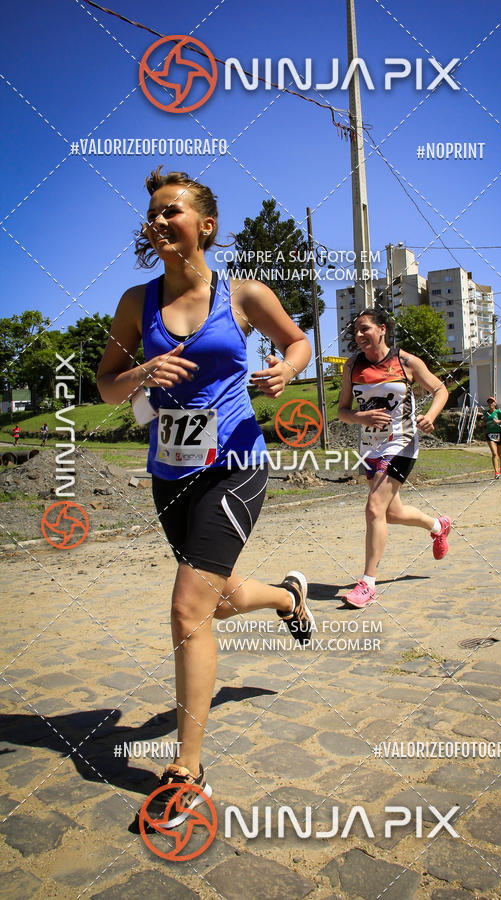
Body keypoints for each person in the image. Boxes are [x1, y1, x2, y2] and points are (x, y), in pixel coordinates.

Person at [97, 168, 313, 827]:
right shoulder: (137, 302)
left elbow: (297, 341)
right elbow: (107, 387)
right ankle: (286, 596)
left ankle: (186, 772)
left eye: (173, 212)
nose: (159, 221)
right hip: (171, 474)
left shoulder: (242, 293)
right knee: (217, 601)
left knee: (187, 605)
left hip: (236, 463)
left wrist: (286, 369)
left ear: (205, 226)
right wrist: (140, 370)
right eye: (153, 213)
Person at [337, 308, 452, 608]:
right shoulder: (351, 366)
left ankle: (368, 584)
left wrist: (431, 415)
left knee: (374, 508)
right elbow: (342, 411)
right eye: (356, 331)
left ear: (382, 329)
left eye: (365, 329)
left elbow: (441, 390)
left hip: (401, 444)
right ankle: (438, 526)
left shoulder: (406, 362)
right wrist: (360, 416)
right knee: (390, 513)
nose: (359, 335)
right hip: (369, 447)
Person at [483, 396, 501, 478]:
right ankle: (496, 472)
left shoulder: (499, 412)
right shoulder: (486, 413)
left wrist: (500, 421)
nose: (490, 404)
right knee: (494, 454)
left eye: (492, 402)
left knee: (500, 454)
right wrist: (483, 424)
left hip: (499, 434)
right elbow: (483, 422)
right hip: (490, 434)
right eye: (489, 402)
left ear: (495, 403)